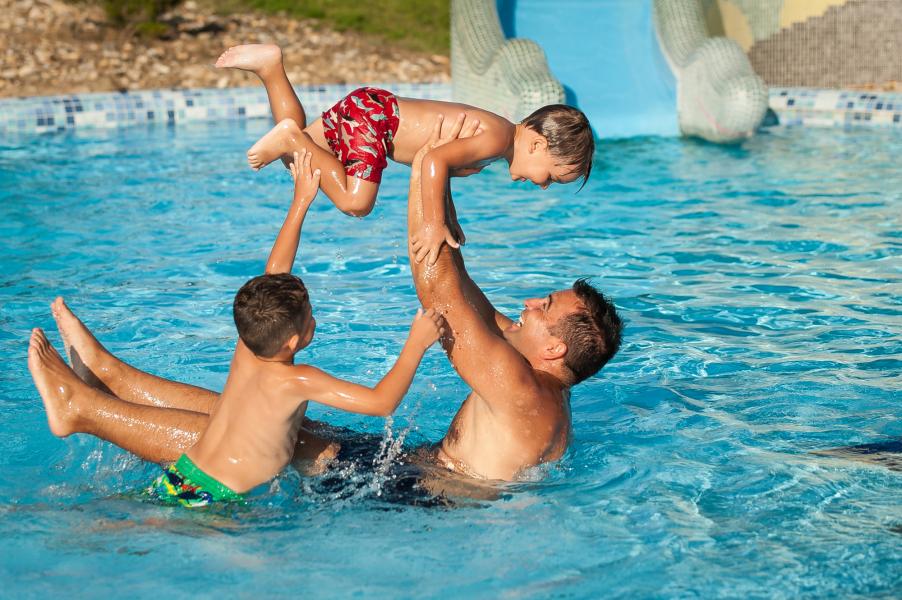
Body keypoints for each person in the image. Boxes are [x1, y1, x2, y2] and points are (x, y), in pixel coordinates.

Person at [27, 149, 445, 507]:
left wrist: (300, 203)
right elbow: (381, 402)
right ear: (296, 340)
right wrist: (417, 341)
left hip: (190, 470)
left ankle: (98, 375)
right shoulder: (297, 380)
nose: (315, 318)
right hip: (217, 497)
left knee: (118, 519)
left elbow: (274, 272)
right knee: (129, 528)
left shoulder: (249, 346)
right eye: (311, 315)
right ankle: (73, 407)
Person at [215, 44, 595, 265]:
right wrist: (432, 224)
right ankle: (290, 137)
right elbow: (432, 162)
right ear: (537, 145)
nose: (544, 187)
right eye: (552, 177)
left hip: (373, 107)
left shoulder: (495, 145)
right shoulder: (497, 138)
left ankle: (271, 69)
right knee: (355, 201)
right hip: (378, 120)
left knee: (299, 157)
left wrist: (449, 216)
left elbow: (439, 166)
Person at [404, 119, 623, 480]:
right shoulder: (548, 389)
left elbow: (439, 295)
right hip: (435, 475)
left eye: (544, 307)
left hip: (424, 497)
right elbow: (461, 288)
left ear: (554, 349)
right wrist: (438, 187)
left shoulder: (517, 385)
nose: (529, 302)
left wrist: (421, 165)